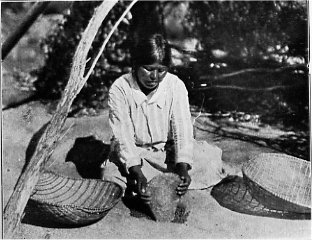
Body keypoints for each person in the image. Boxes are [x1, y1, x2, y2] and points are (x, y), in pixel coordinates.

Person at [102, 33, 228, 203]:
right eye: (148, 68)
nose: (154, 77)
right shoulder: (120, 88)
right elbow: (123, 136)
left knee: (209, 162)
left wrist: (182, 166)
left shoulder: (175, 86)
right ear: (135, 64)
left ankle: (157, 182)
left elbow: (182, 129)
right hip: (137, 154)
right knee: (111, 176)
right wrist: (136, 170)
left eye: (161, 70)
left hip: (168, 152)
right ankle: (147, 182)